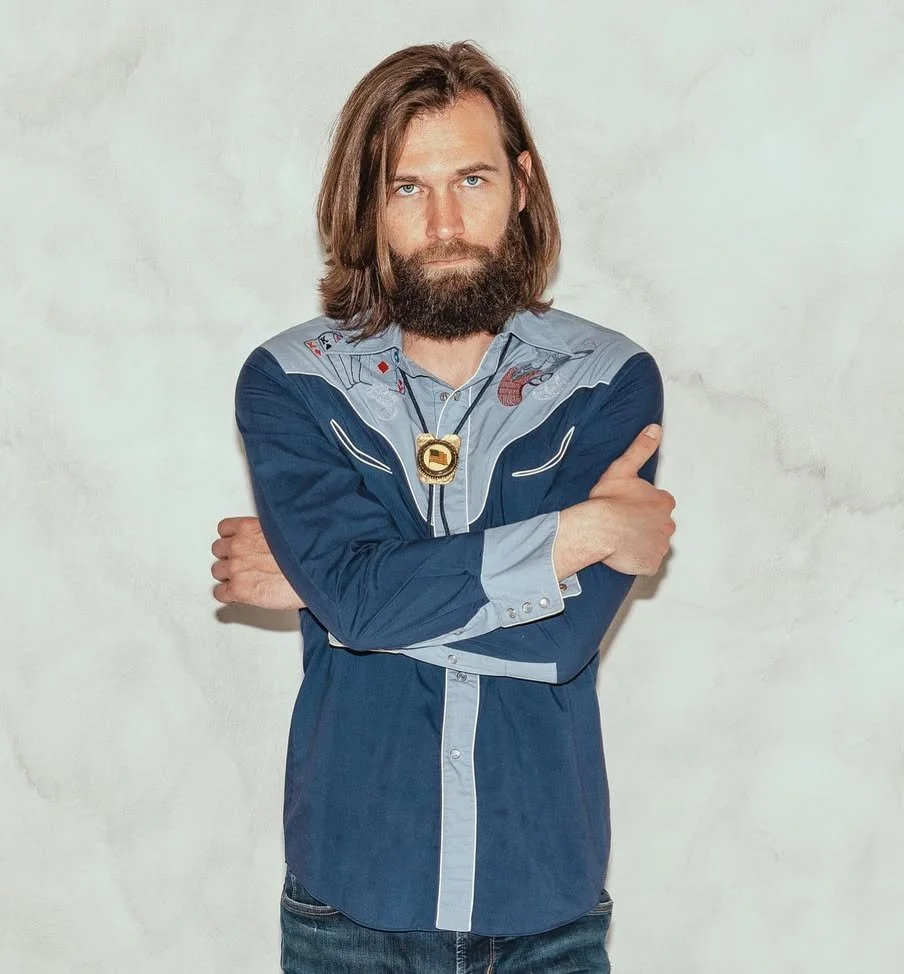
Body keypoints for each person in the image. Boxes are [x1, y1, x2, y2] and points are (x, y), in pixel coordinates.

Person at [210, 41, 676, 974]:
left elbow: (558, 642)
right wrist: (579, 533)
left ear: (522, 182)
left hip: (547, 909)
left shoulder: (606, 381)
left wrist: (330, 592)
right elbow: (358, 598)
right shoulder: (291, 381)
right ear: (368, 205)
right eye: (408, 188)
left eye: (472, 177)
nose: (448, 221)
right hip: (353, 910)